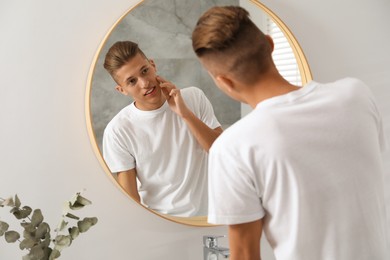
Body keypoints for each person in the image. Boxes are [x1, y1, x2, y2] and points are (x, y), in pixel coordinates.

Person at [192, 6, 389, 260]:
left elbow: (244, 255)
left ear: (224, 82)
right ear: (270, 44)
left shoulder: (233, 147)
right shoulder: (356, 95)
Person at [102, 41, 223, 217]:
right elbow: (130, 202)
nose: (144, 83)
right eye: (132, 81)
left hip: (211, 216)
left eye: (144, 71)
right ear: (122, 90)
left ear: (153, 65)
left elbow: (223, 154)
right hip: (162, 224)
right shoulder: (118, 130)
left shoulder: (194, 97)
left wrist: (186, 114)